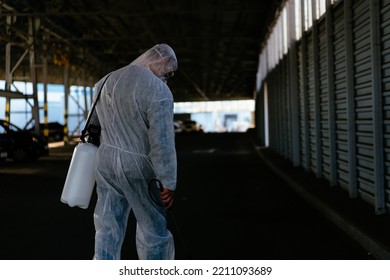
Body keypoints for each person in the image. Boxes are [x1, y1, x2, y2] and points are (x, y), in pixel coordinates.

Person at [89, 43, 178, 260]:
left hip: (106, 164)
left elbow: (93, 125)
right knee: (152, 229)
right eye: (167, 72)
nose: (167, 77)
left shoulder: (105, 82)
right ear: (159, 63)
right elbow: (162, 140)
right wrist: (168, 180)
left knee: (107, 228)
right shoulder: (158, 90)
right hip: (139, 167)